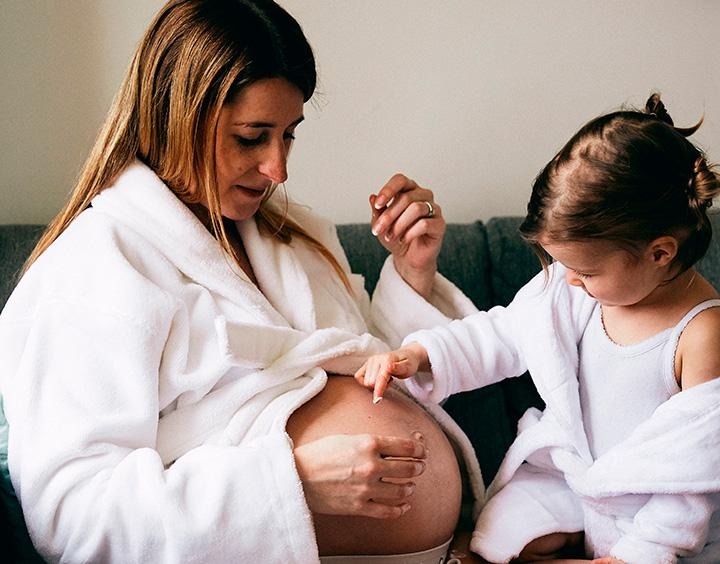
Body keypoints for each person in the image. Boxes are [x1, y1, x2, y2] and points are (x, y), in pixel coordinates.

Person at [0, 1, 487, 562]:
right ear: (173, 117)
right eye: (253, 137)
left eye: (289, 135)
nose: (278, 169)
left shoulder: (296, 238)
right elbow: (73, 519)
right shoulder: (97, 267)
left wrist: (411, 271)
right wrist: (287, 485)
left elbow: (365, 366)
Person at [355, 94, 720, 563]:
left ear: (660, 252)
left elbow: (694, 469)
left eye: (586, 270)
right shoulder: (577, 290)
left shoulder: (701, 333)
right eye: (563, 265)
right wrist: (420, 355)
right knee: (495, 537)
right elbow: (504, 332)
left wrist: (645, 549)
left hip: (651, 503)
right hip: (577, 479)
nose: (569, 280)